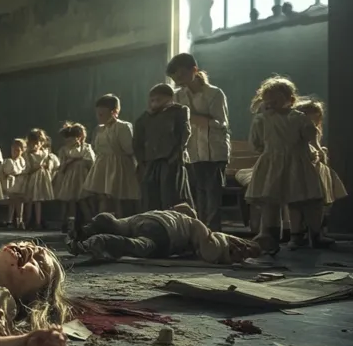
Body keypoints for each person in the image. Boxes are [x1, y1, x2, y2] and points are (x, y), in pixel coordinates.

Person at [245, 77, 331, 253]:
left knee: (275, 201)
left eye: (273, 101)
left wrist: (270, 150)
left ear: (290, 100)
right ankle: (309, 235)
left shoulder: (263, 119)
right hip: (294, 162)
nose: (271, 105)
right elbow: (309, 136)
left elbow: (256, 144)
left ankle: (278, 236)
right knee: (302, 199)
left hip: (275, 163)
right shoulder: (296, 118)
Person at [67, 204, 260, 264]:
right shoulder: (198, 227)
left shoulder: (180, 215)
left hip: (139, 220)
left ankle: (84, 232)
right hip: (163, 234)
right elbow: (211, 249)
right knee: (138, 246)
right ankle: (94, 242)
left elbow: (182, 206)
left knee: (112, 223)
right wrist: (230, 252)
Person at [167, 53, 230, 232]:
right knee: (196, 196)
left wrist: (193, 118)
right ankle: (200, 234)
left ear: (194, 70)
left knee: (212, 197)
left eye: (181, 76)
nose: (178, 81)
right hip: (191, 153)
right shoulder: (178, 96)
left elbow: (221, 124)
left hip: (214, 151)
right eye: (174, 78)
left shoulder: (214, 93)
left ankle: (215, 235)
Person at [133, 84, 193, 212]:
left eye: (158, 99)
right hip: (150, 163)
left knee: (171, 196)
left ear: (169, 99)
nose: (154, 103)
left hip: (170, 161)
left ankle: (176, 226)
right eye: (152, 100)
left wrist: (176, 155)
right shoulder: (144, 118)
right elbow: (137, 142)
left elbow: (184, 134)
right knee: (150, 197)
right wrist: (142, 162)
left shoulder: (179, 111)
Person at [295, 99, 346, 241]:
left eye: (317, 117)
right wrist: (320, 154)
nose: (315, 120)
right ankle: (309, 231)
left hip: (316, 169)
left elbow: (316, 147)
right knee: (311, 201)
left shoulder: (312, 129)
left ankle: (314, 230)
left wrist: (322, 153)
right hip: (308, 170)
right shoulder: (305, 129)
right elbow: (313, 148)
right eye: (312, 116)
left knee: (320, 200)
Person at [83, 94, 139, 216]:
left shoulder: (122, 126)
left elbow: (129, 148)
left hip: (118, 165)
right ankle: (102, 222)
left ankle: (119, 222)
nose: (99, 117)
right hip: (103, 164)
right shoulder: (99, 129)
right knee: (102, 196)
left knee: (117, 196)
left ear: (114, 112)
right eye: (97, 114)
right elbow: (95, 147)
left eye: (102, 114)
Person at [53, 123, 95, 233]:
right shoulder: (64, 150)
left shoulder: (86, 147)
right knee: (70, 201)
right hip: (70, 179)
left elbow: (90, 161)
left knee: (83, 200)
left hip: (82, 178)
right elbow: (61, 166)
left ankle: (90, 223)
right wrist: (69, 161)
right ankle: (68, 223)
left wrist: (78, 159)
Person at [19, 128, 58, 230]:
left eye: (37, 143)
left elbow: (53, 165)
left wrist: (47, 167)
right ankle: (27, 220)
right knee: (29, 200)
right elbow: (26, 168)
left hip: (41, 179)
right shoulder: (28, 154)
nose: (35, 146)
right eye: (32, 143)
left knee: (38, 200)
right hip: (32, 179)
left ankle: (38, 221)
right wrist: (33, 169)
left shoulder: (45, 153)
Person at [1, 138, 28, 229]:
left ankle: (19, 220)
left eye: (18, 150)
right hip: (11, 185)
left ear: (22, 151)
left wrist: (20, 173)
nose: (15, 152)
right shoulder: (8, 161)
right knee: (12, 201)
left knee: (20, 201)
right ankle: (9, 220)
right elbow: (9, 171)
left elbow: (23, 170)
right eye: (13, 150)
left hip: (20, 184)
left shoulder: (22, 161)